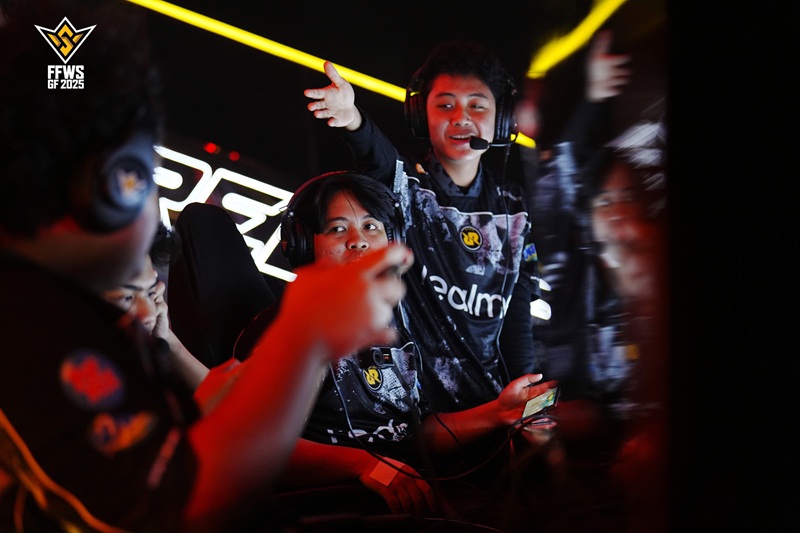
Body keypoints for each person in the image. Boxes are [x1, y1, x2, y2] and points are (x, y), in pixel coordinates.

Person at [0, 1, 411, 531]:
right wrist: (305, 338)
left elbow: (180, 445)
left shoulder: (71, 315)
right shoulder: (32, 325)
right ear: (109, 191)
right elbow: (183, 503)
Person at [187, 171, 557, 523]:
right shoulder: (289, 330)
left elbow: (414, 435)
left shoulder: (397, 327)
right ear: (303, 244)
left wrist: (498, 412)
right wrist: (364, 464)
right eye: (337, 229)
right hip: (335, 507)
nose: (358, 241)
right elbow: (259, 445)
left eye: (371, 227)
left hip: (409, 494)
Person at [304, 41, 541, 413]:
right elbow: (378, 157)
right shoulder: (405, 186)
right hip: (412, 407)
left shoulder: (515, 207)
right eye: (445, 105)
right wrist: (353, 119)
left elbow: (517, 317)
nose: (460, 118)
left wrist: (527, 400)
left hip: (492, 402)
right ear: (420, 114)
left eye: (477, 105)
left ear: (502, 117)